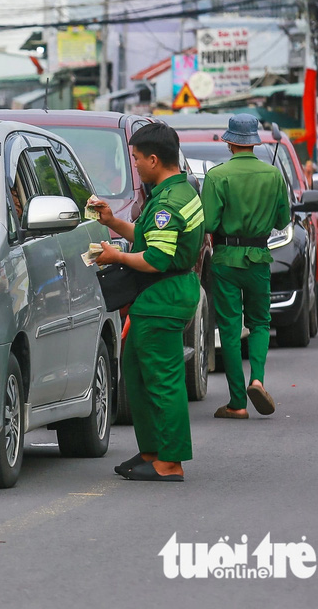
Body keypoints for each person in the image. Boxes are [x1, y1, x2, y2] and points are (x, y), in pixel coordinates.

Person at [93, 122, 203, 482]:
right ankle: (153, 452)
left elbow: (154, 258)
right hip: (162, 295)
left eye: (137, 159)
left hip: (163, 296)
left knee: (162, 380)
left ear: (154, 159)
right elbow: (148, 237)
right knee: (139, 374)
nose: (135, 164)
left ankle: (170, 461)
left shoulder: (168, 203)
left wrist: (116, 258)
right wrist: (113, 222)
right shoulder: (175, 192)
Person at [201, 114, 292, 419]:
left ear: (229, 142)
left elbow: (210, 223)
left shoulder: (216, 176)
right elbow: (282, 221)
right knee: (261, 324)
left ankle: (237, 403)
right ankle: (257, 380)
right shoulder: (273, 175)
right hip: (259, 258)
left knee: (228, 328)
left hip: (226, 258)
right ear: (254, 141)